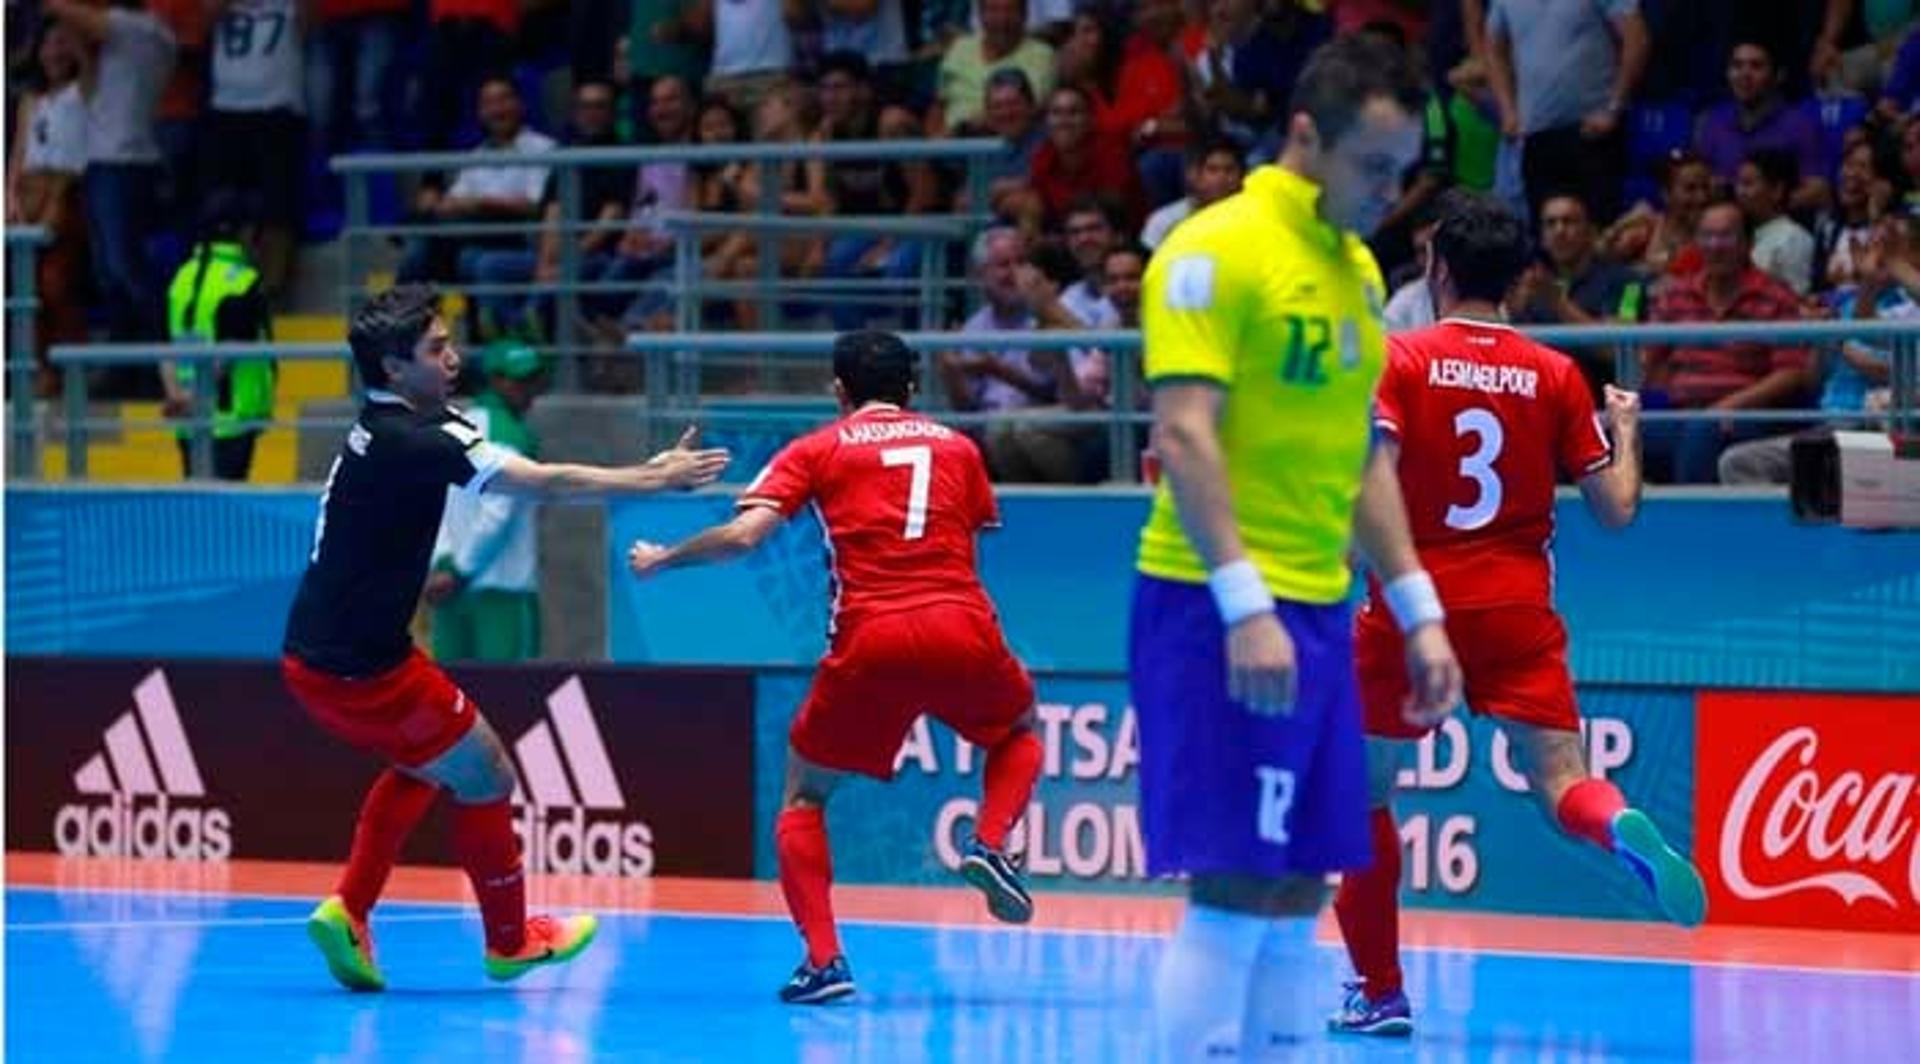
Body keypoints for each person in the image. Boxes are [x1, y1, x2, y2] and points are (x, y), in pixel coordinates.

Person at [1131, 35, 1463, 1059]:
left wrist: (1419, 609)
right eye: (1374, 167)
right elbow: (1183, 430)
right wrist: (1246, 602)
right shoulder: (1211, 249)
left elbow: (1363, 451)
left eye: (1403, 172)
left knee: (1305, 876)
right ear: (1306, 137)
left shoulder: (1358, 268)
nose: (1388, 192)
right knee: (1233, 878)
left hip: (1319, 610)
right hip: (1212, 604)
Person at [1327, 191, 1706, 1038]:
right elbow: (1616, 508)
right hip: (1518, 608)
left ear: (1437, 269)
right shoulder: (1555, 372)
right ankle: (1616, 829)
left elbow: (1370, 477)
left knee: (1361, 799)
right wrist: (1625, 427)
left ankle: (1380, 992)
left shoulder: (1401, 359)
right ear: (1519, 280)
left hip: (1411, 604)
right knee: (1563, 782)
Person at [282, 284, 729, 992]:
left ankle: (350, 911)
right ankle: (511, 940)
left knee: (430, 762)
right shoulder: (425, 437)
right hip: (368, 668)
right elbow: (545, 483)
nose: (454, 358)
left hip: (312, 659)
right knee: (487, 770)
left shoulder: (375, 427)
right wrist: (654, 478)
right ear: (395, 369)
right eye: (436, 349)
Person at [627, 330, 1043, 1005]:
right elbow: (967, 546)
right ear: (913, 389)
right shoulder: (961, 448)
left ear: (839, 392)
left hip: (870, 640)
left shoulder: (816, 450)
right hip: (962, 625)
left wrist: (662, 559)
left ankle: (825, 962)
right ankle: (990, 843)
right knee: (1019, 729)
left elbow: (741, 538)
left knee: (804, 796)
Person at [426, 340, 547, 662]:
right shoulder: (512, 436)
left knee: (451, 701)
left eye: (534, 379)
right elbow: (498, 516)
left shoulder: (453, 428)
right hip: (501, 588)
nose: (529, 390)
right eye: (519, 380)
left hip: (450, 588)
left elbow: (433, 503)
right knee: (511, 702)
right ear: (494, 380)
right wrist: (460, 572)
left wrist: (442, 564)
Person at [163, 196, 276, 481]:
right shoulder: (242, 281)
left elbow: (167, 345)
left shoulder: (182, 277)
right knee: (226, 511)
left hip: (187, 418)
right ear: (246, 232)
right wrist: (196, 394)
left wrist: (177, 394)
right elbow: (234, 348)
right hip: (231, 415)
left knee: (198, 508)